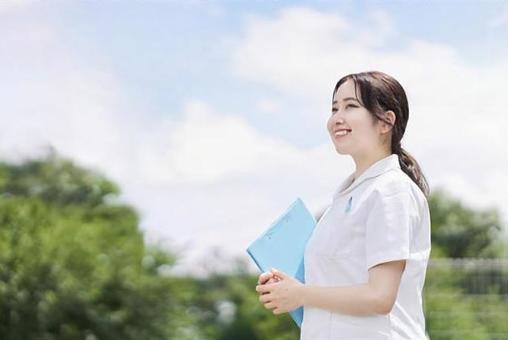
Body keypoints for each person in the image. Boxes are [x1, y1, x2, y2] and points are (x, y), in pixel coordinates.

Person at [255, 71, 431, 339]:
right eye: (334, 108)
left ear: (386, 121)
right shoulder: (348, 197)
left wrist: (300, 294)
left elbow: (380, 296)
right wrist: (286, 289)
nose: (337, 117)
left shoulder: (390, 189)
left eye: (351, 106)